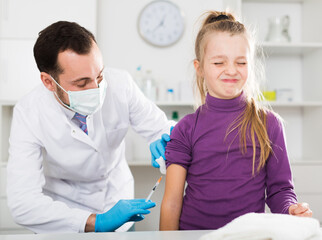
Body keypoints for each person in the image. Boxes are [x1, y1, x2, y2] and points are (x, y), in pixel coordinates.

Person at [6, 21, 174, 233]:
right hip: (64, 218)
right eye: (82, 83)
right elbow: (23, 203)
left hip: (118, 205)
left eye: (100, 75)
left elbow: (160, 127)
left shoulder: (120, 84)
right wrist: (97, 222)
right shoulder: (29, 112)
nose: (97, 89)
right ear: (49, 82)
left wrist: (167, 139)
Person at [159, 11, 312, 231]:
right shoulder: (186, 128)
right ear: (199, 68)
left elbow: (280, 191)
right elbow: (172, 202)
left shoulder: (270, 124)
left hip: (248, 235)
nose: (231, 70)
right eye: (219, 62)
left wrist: (291, 209)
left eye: (241, 62)